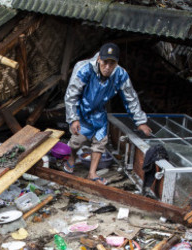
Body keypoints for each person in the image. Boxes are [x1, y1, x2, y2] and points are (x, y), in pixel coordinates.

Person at [64, 42, 152, 184]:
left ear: (116, 63)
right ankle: (72, 158)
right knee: (76, 141)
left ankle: (92, 173)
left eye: (112, 64)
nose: (108, 67)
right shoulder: (84, 68)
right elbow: (71, 95)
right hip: (82, 110)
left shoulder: (121, 74)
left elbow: (131, 98)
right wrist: (73, 118)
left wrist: (140, 121)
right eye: (105, 62)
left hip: (99, 112)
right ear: (99, 58)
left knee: (100, 141)